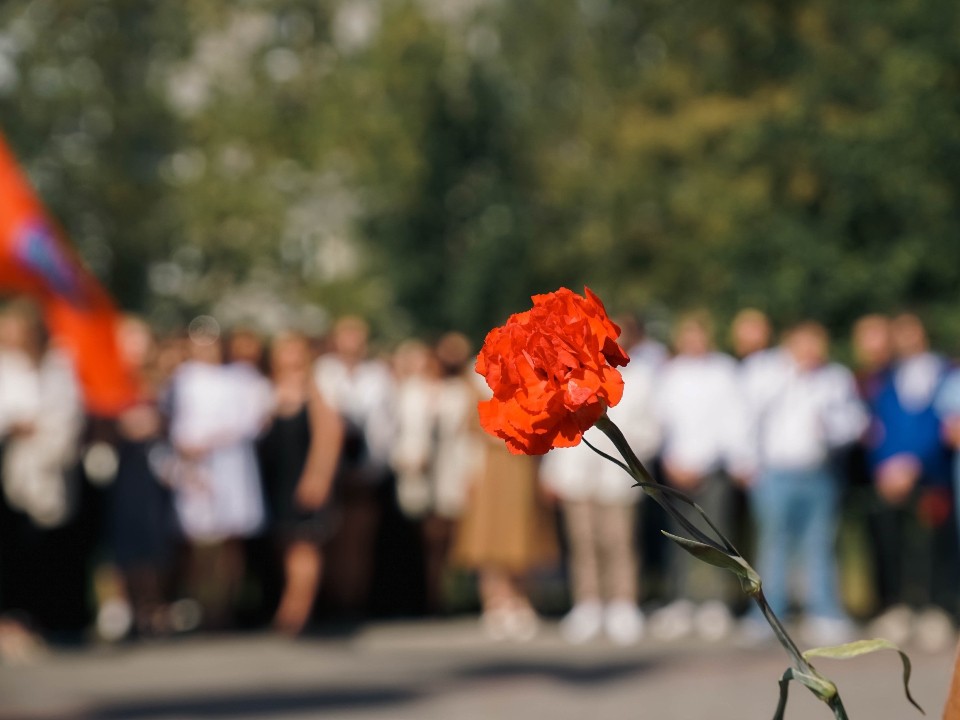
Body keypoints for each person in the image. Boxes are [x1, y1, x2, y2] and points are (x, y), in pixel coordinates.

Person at [740, 322, 866, 645]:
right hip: (776, 473)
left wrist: (831, 428)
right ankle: (768, 614)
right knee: (773, 545)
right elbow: (747, 419)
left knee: (820, 544)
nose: (811, 351)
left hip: (819, 472)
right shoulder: (768, 373)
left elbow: (856, 422)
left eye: (816, 344)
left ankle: (823, 611)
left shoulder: (835, 377)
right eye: (804, 344)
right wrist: (747, 464)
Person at [540, 347, 660, 645]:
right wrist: (551, 473)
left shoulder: (637, 378)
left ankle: (623, 603)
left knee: (619, 540)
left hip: (617, 476)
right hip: (577, 475)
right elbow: (554, 422)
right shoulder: (569, 373)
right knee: (583, 540)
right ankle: (588, 604)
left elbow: (650, 427)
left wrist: (634, 458)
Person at [650, 311, 752, 641]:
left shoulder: (724, 370)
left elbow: (733, 420)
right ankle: (680, 601)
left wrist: (729, 460)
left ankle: (715, 602)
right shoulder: (669, 373)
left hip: (713, 466)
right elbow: (661, 421)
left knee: (715, 534)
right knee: (678, 537)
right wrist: (670, 460)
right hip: (676, 467)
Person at [166, 320, 271, 629]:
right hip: (194, 466)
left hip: (229, 465)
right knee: (198, 539)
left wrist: (210, 441)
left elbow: (252, 421)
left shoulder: (241, 377)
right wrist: (186, 449)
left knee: (229, 538)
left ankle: (226, 605)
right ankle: (199, 604)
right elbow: (172, 419)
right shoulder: (182, 378)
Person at [866, 313, 956, 652]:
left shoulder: (946, 373)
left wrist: (916, 464)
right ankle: (899, 608)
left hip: (932, 474)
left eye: (910, 329)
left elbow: (942, 425)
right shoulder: (885, 378)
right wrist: (885, 468)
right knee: (892, 543)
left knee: (936, 546)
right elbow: (879, 429)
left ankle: (937, 609)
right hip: (891, 477)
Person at [0, 301, 84, 646]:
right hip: (9, 464)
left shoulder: (58, 366)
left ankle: (54, 619)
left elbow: (68, 411)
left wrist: (45, 431)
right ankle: (15, 617)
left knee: (51, 545)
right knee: (13, 547)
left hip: (50, 465)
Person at [453, 374, 558, 641]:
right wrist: (468, 473)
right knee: (489, 535)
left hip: (523, 465)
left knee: (523, 534)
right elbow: (469, 433)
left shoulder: (533, 384)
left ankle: (521, 600)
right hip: (490, 469)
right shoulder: (476, 386)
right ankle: (495, 601)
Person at [258, 332, 343, 635]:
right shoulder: (268, 389)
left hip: (302, 475)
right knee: (286, 544)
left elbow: (330, 435)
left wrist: (318, 477)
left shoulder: (315, 388)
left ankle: (294, 613)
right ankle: (289, 607)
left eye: (295, 350)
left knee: (303, 545)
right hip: (276, 477)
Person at [391, 333, 481, 614]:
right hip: (418, 469)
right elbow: (397, 430)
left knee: (445, 533)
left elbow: (467, 435)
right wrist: (407, 456)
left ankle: (441, 592)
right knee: (417, 533)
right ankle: (420, 593)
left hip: (448, 467)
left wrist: (470, 471)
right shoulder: (409, 391)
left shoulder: (456, 392)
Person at [313, 316, 395, 614]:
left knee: (359, 538)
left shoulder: (378, 375)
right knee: (330, 536)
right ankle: (331, 599)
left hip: (367, 466)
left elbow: (385, 425)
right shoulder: (324, 371)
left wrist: (374, 465)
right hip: (330, 468)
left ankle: (355, 600)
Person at [106, 316, 178, 639]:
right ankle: (128, 609)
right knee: (124, 540)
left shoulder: (161, 379)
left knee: (154, 540)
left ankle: (154, 607)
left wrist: (156, 422)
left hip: (154, 468)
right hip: (123, 467)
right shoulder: (108, 380)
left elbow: (172, 421)